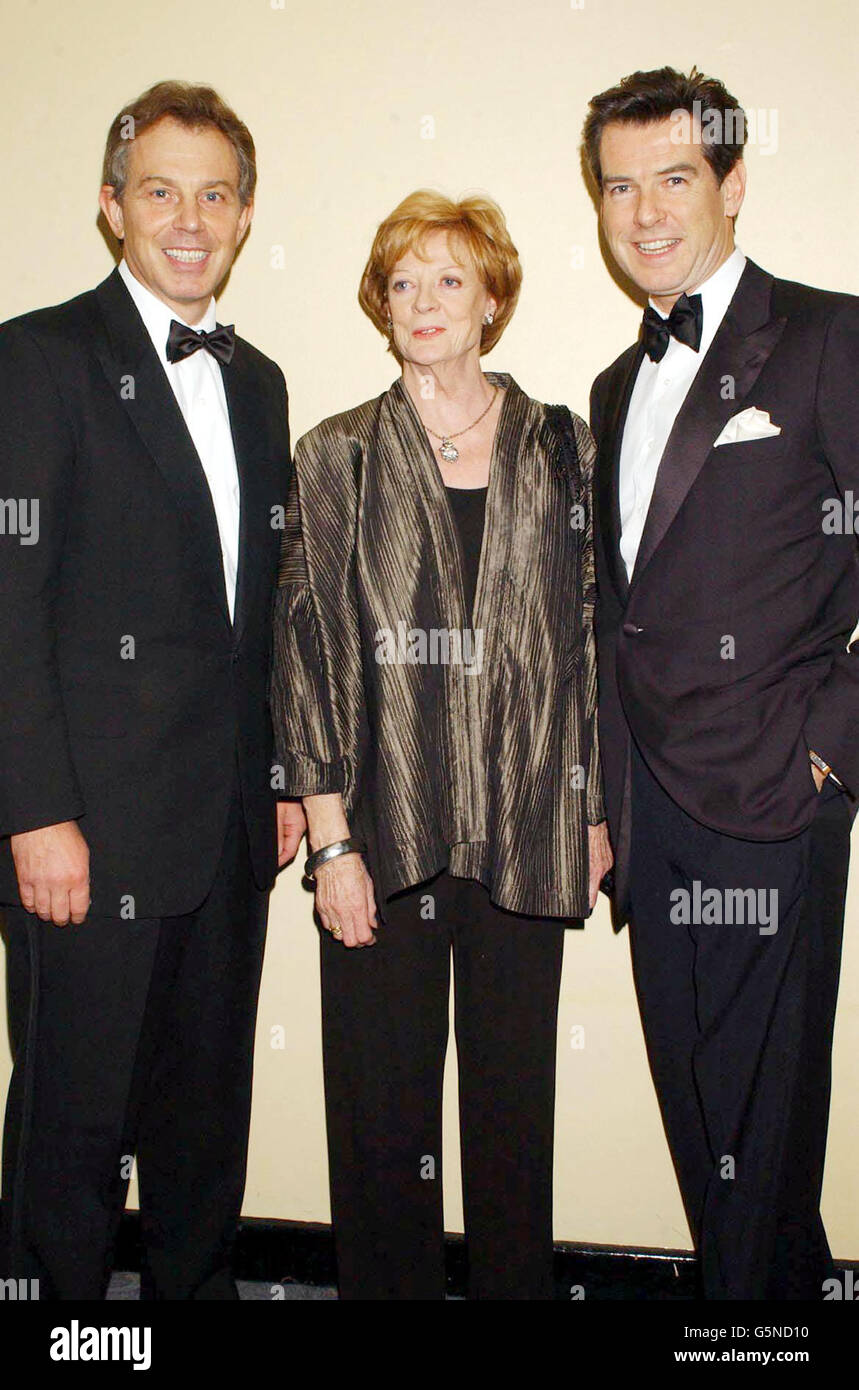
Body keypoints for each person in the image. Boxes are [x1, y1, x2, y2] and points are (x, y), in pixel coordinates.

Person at [271, 189, 612, 1300]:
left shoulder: (563, 446)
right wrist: (329, 844)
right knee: (381, 1131)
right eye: (403, 281)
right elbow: (307, 651)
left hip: (526, 829)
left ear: (492, 298)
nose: (424, 301)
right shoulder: (337, 456)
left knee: (514, 1124)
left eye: (449, 279)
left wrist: (595, 808)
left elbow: (592, 638)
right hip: (380, 833)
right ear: (380, 304)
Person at [0, 80, 303, 1300]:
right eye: (162, 191)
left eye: (216, 194)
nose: (191, 218)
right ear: (113, 208)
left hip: (228, 830)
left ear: (242, 216)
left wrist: (280, 779)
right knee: (73, 1127)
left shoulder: (259, 380)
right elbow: (9, 602)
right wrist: (32, 810)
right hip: (86, 832)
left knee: (203, 1123)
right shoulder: (39, 357)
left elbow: (263, 614)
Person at [583, 66, 858, 1299]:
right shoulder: (610, 387)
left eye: (675, 179)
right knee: (707, 1124)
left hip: (772, 796)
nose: (643, 213)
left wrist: (829, 744)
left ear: (734, 183)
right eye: (618, 186)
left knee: (762, 1118)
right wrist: (600, 798)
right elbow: (614, 617)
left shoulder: (828, 336)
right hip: (652, 814)